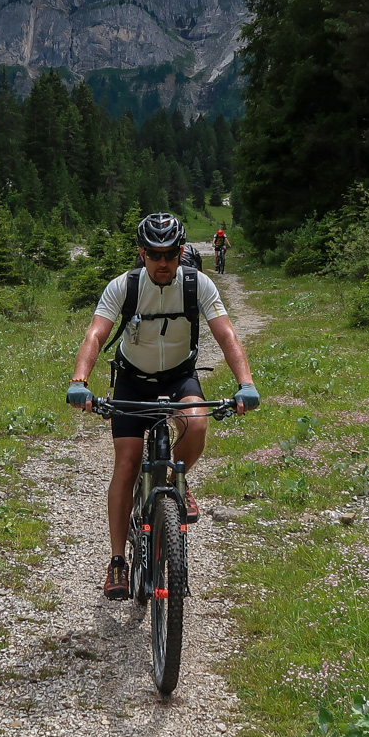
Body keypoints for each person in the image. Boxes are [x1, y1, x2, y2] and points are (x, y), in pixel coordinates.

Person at [65, 213, 260, 599]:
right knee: (127, 463)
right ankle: (117, 562)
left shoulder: (196, 284)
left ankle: (174, 482)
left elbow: (226, 334)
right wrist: (79, 381)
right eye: (154, 254)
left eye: (170, 253)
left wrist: (246, 384)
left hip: (178, 377)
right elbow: (96, 334)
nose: (163, 262)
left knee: (197, 423)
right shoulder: (124, 286)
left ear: (180, 251)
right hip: (132, 380)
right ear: (142, 253)